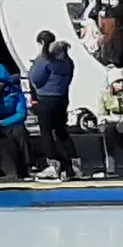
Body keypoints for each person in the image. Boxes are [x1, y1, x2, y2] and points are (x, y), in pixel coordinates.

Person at [26, 33, 78, 181]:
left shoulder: (45, 61)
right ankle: (74, 164)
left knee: (46, 132)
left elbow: (35, 79)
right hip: (62, 98)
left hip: (46, 99)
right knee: (62, 131)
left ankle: (52, 165)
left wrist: (36, 63)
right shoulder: (68, 62)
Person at [97, 69, 123, 178]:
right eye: (117, 82)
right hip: (110, 119)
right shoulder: (103, 94)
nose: (120, 85)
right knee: (109, 131)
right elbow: (101, 114)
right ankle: (110, 164)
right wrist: (114, 120)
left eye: (122, 82)